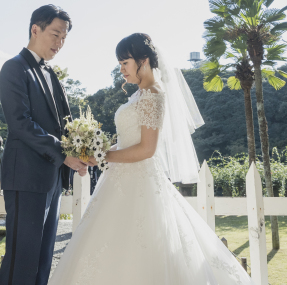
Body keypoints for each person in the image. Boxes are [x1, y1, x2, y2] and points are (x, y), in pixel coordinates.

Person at [49, 33, 253, 285]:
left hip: (141, 181)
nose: (121, 69)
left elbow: (147, 149)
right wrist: (99, 151)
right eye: (120, 63)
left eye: (125, 63)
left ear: (143, 60)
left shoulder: (153, 94)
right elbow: (130, 141)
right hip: (120, 179)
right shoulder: (139, 94)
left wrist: (103, 155)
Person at [0, 5, 90, 285]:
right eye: (55, 34)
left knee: (42, 260)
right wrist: (64, 155)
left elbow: (63, 126)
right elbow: (20, 123)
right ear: (35, 29)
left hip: (51, 179)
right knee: (21, 260)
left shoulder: (52, 74)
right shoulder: (14, 68)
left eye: (64, 38)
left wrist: (82, 151)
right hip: (25, 178)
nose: (60, 43)